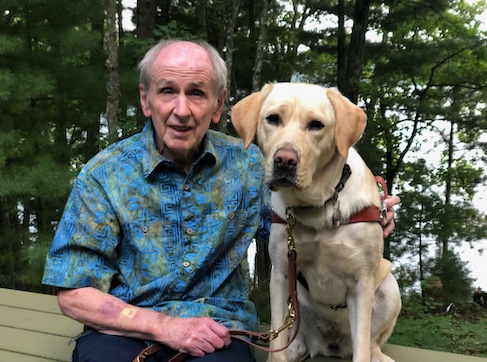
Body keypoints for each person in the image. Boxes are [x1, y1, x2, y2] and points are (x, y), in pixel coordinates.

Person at [42, 39, 400, 362]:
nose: (181, 110)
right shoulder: (103, 175)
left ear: (217, 106)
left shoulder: (250, 168)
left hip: (220, 333)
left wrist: (364, 214)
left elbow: (302, 222)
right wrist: (164, 326)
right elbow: (74, 292)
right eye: (167, 91)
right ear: (145, 99)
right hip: (125, 330)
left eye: (196, 93)